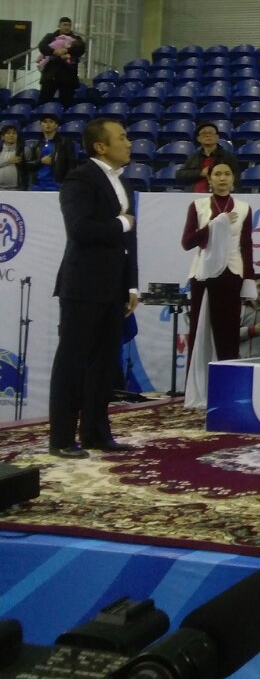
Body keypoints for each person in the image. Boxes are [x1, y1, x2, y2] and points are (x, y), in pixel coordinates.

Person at [47, 117, 138, 458]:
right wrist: (120, 222)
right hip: (83, 284)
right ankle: (61, 438)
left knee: (104, 363)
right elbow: (80, 229)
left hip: (114, 286)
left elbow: (130, 238)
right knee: (71, 360)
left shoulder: (123, 182)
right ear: (101, 146)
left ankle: (96, 433)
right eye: (122, 137)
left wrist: (132, 285)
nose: (129, 142)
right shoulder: (80, 178)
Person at [181, 160, 255, 408]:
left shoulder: (244, 208)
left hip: (232, 272)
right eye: (217, 174)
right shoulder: (198, 206)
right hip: (203, 274)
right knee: (199, 331)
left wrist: (249, 280)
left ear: (233, 179)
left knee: (229, 333)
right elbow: (188, 242)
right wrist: (215, 224)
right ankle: (197, 389)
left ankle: (228, 390)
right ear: (209, 179)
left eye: (227, 174)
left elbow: (246, 246)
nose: (222, 178)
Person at [176, 122, 239, 192]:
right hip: (194, 194)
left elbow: (235, 179)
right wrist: (200, 173)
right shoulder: (194, 156)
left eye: (211, 132)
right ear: (198, 139)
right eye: (204, 133)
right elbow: (180, 174)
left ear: (217, 137)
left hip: (218, 194)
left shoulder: (228, 157)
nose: (208, 135)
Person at [37, 17, 85, 107]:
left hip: (68, 76)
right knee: (44, 102)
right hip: (50, 75)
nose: (67, 27)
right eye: (64, 25)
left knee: (67, 104)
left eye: (69, 25)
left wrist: (66, 50)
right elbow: (42, 47)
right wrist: (54, 51)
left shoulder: (76, 38)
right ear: (59, 25)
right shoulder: (50, 37)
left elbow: (81, 49)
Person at [23, 115, 76, 191]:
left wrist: (67, 182)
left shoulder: (65, 142)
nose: (48, 124)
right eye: (45, 122)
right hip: (38, 185)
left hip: (56, 185)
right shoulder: (37, 144)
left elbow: (71, 164)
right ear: (41, 125)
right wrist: (41, 161)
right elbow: (30, 165)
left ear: (56, 125)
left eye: (51, 122)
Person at [0, 125, 27, 190]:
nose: (11, 135)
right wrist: (8, 161)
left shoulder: (23, 150)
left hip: (16, 189)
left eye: (14, 133)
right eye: (8, 133)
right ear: (2, 137)